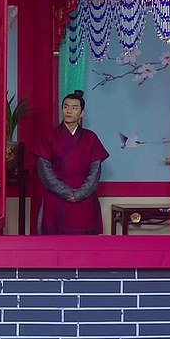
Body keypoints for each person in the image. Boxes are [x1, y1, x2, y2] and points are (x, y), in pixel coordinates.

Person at [29, 90, 109, 235]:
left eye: (74, 107)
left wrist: (81, 193)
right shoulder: (49, 136)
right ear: (61, 110)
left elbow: (95, 171)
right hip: (56, 195)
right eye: (66, 107)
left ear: (82, 113)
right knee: (55, 241)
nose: (69, 111)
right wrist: (65, 192)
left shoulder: (90, 138)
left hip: (84, 196)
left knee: (85, 242)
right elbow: (44, 170)